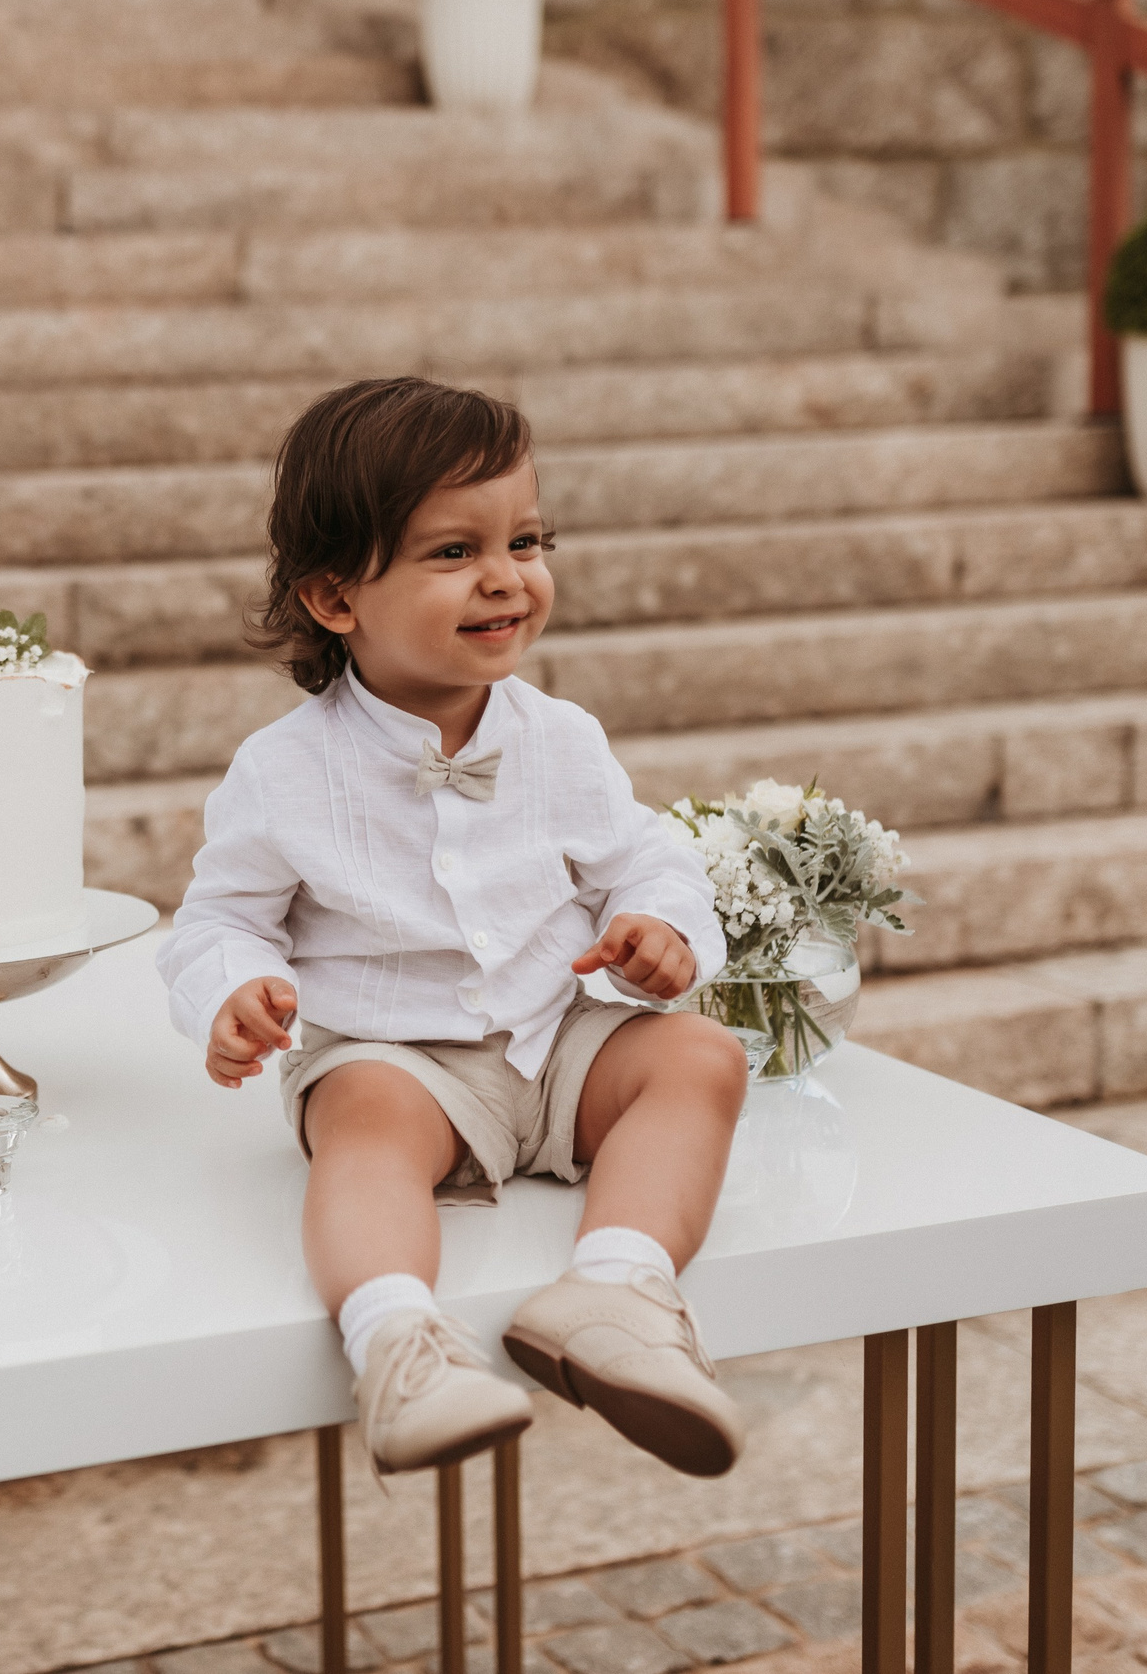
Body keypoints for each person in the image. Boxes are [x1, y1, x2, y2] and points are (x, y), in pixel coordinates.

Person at [156, 377, 752, 1478]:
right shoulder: (284, 770)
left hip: (557, 1037)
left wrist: (659, 924)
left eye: (526, 539)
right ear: (337, 598)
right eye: (450, 552)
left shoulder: (559, 738)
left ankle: (614, 1292)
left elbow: (647, 856)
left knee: (703, 1056)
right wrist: (234, 987)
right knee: (364, 1119)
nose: (505, 576)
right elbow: (218, 917)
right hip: (402, 1055)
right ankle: (398, 1341)